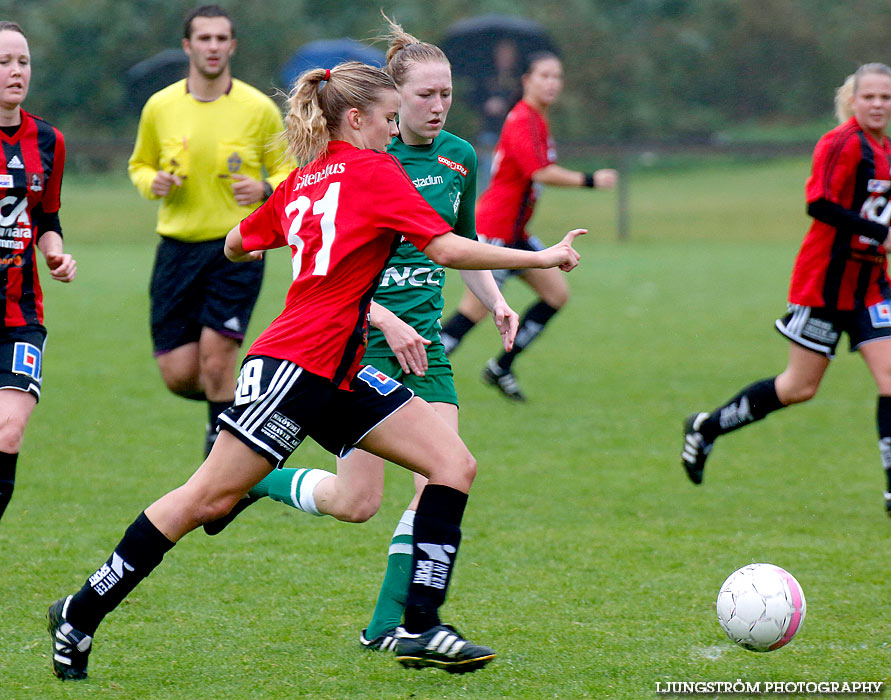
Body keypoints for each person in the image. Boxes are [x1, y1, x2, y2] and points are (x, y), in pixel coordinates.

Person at [47, 60, 587, 681]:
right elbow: (444, 248)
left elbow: (235, 243)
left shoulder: (306, 178)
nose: (393, 131)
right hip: (293, 367)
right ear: (355, 118)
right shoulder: (374, 170)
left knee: (453, 463)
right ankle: (79, 611)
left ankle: (419, 624)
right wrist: (541, 255)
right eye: (387, 118)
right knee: (205, 498)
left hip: (342, 366)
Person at [202, 16, 523, 655]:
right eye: (424, 95)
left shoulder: (458, 157)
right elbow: (319, 267)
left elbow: (461, 244)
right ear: (388, 100)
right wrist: (382, 316)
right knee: (356, 501)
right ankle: (254, 479)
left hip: (426, 345)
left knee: (442, 473)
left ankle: (394, 626)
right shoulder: (361, 160)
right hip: (361, 343)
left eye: (447, 95)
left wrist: (495, 300)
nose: (437, 107)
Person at [681, 63, 891, 516]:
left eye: (885, 97)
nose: (877, 104)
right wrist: (878, 233)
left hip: (871, 285)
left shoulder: (886, 150)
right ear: (852, 100)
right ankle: (706, 428)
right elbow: (818, 203)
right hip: (824, 286)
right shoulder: (840, 143)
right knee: (799, 387)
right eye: (869, 96)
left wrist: (879, 235)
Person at [127, 4, 292, 456]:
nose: (213, 47)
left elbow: (290, 172)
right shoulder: (160, 107)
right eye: (204, 38)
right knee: (181, 374)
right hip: (177, 249)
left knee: (217, 359)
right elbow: (139, 165)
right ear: (188, 46)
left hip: (237, 249)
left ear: (232, 45)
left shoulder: (258, 108)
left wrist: (263, 187)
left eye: (222, 39)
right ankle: (256, 405)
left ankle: (219, 464)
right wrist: (152, 181)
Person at [440, 51, 617, 401]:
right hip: (496, 232)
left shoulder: (537, 119)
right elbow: (540, 172)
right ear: (526, 81)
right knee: (471, 314)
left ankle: (501, 367)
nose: (552, 83)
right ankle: (410, 375)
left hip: (517, 235)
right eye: (545, 76)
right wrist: (591, 180)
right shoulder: (522, 118)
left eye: (557, 77)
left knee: (556, 295)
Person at [0, 22, 76, 522]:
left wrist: (56, 253)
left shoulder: (49, 140)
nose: (15, 71)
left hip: (20, 314)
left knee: (8, 430)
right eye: (4, 62)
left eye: (22, 62)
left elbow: (47, 218)